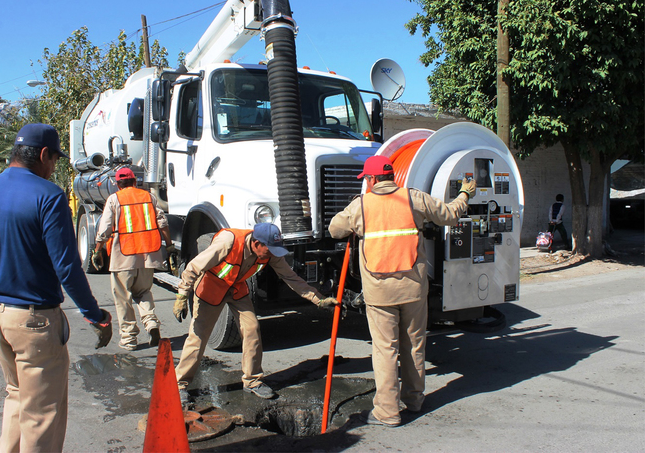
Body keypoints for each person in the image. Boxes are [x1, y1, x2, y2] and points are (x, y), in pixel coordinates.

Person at [0, 123, 113, 452]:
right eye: (55, 159)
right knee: (42, 416)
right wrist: (94, 314)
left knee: (16, 398)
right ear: (44, 155)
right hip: (33, 324)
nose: (53, 166)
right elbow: (67, 267)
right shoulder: (48, 197)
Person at [328, 155, 475, 427]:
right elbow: (450, 215)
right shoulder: (413, 198)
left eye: (367, 180)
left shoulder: (361, 205)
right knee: (414, 345)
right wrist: (465, 193)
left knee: (385, 350)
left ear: (372, 180)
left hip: (379, 292)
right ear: (391, 176)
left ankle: (387, 412)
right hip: (413, 289)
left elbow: (334, 229)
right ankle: (414, 400)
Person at [172, 223, 339, 401]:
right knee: (198, 337)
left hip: (237, 289)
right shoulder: (227, 242)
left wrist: (318, 299)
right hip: (211, 289)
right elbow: (193, 268)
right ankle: (180, 384)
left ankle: (252, 381)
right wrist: (182, 296)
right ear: (256, 243)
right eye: (270, 249)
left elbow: (291, 278)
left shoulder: (270, 253)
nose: (273, 254)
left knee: (252, 329)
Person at [92, 167, 173, 351]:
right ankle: (151, 324)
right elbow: (163, 222)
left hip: (124, 255)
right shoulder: (148, 197)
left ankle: (129, 338)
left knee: (123, 298)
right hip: (148, 254)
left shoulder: (114, 199)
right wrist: (168, 246)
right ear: (135, 181)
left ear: (117, 184)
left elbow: (104, 228)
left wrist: (97, 250)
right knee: (143, 292)